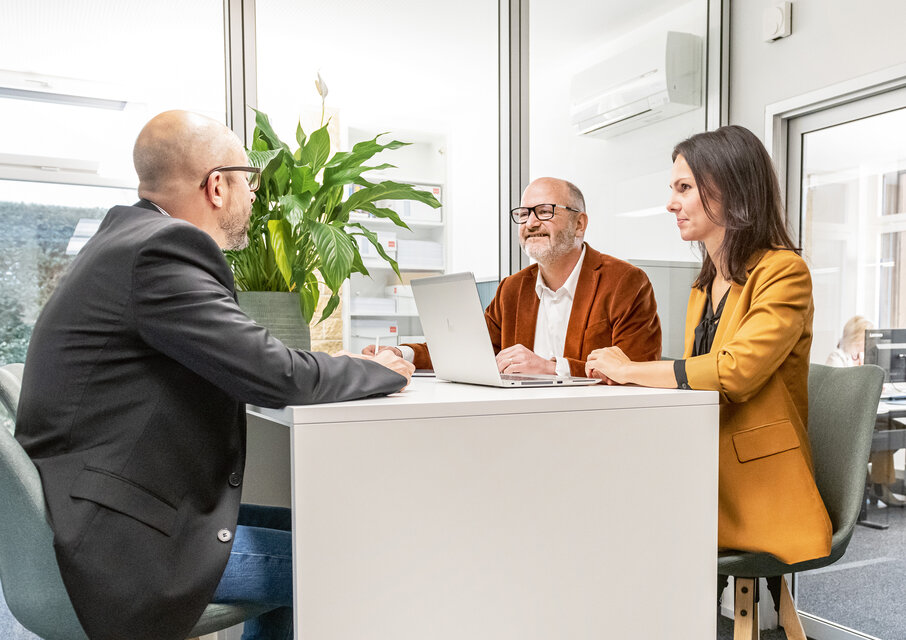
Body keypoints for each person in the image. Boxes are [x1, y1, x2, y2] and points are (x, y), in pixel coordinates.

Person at [14, 110, 414, 640]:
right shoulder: (161, 250)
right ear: (218, 185)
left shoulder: (125, 240)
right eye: (250, 181)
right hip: (115, 542)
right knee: (343, 559)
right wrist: (373, 369)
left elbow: (239, 355)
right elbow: (274, 374)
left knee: (318, 529)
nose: (254, 198)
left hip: (96, 510)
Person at [585, 125, 832, 565]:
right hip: (702, 463)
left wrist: (630, 370)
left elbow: (733, 372)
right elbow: (696, 378)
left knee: (623, 532)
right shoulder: (704, 285)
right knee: (599, 507)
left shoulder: (784, 271)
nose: (671, 203)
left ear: (731, 191)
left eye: (685, 188)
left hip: (756, 485)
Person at [364, 177, 662, 377]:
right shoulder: (512, 288)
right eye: (523, 213)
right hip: (519, 423)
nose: (531, 223)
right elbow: (469, 347)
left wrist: (551, 368)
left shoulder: (625, 282)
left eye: (544, 211)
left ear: (579, 224)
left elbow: (638, 372)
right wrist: (401, 352)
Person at [826, 316, 904, 506]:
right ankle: (880, 486)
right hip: (845, 423)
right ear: (855, 337)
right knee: (885, 431)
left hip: (864, 416)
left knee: (895, 429)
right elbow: (838, 391)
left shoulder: (865, 358)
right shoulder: (837, 357)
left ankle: (875, 482)